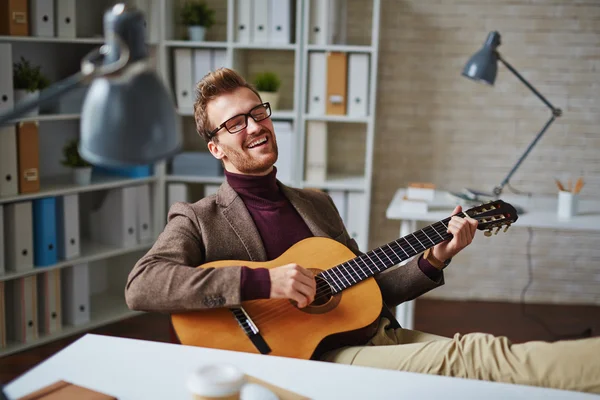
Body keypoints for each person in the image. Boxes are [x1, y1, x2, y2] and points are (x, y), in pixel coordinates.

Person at [126, 68, 600, 394]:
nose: (255, 126)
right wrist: (263, 281)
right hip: (317, 360)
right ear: (216, 148)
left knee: (490, 363)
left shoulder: (315, 203)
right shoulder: (198, 217)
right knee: (477, 357)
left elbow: (366, 291)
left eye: (259, 112)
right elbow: (142, 285)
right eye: (234, 123)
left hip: (378, 335)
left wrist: (434, 258)